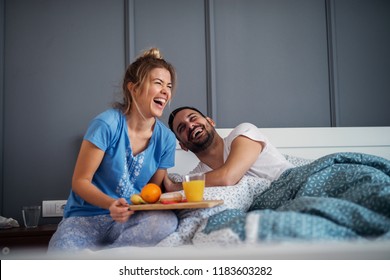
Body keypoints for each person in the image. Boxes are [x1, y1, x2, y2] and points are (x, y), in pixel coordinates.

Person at [48, 48, 178, 252]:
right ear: (133, 88)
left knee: (166, 222)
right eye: (158, 83)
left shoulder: (167, 139)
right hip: (85, 218)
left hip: (129, 219)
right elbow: (80, 181)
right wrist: (110, 204)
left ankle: (104, 262)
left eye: (169, 86)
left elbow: (151, 193)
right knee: (61, 255)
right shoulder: (106, 124)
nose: (166, 91)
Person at [164, 106, 294, 191]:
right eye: (182, 128)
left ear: (210, 122)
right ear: (183, 146)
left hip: (295, 184)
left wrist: (174, 187)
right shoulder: (195, 177)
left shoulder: (243, 132)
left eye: (193, 118)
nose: (191, 125)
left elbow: (228, 177)